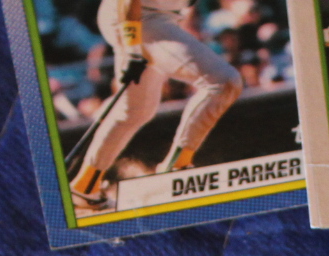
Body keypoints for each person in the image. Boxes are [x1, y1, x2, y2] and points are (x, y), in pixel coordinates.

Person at [66, 0, 244, 212]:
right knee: (224, 81)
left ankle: (84, 186)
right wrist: (132, 48)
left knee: (136, 110)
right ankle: (175, 168)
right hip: (136, 16)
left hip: (159, 16)